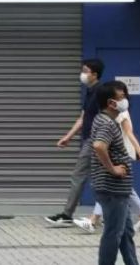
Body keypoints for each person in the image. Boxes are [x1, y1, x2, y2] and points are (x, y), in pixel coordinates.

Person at [75, 101, 140, 234]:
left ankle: (93, 221)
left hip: (120, 154)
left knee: (109, 187)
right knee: (118, 188)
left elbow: (129, 133)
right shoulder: (108, 114)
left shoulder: (121, 112)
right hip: (115, 153)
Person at [46, 58, 105, 227]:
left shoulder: (101, 92)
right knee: (101, 178)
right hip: (90, 140)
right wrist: (68, 136)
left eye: (85, 71)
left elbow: (108, 116)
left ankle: (68, 215)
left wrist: (102, 140)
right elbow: (83, 118)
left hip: (96, 141)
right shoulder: (90, 91)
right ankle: (105, 215)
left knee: (82, 176)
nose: (82, 74)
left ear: (94, 74)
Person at [90, 81, 138, 265]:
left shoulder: (108, 121)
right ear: (111, 103)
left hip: (118, 190)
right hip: (112, 189)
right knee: (113, 233)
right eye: (122, 97)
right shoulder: (106, 123)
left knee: (125, 233)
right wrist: (113, 169)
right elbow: (99, 146)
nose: (126, 100)